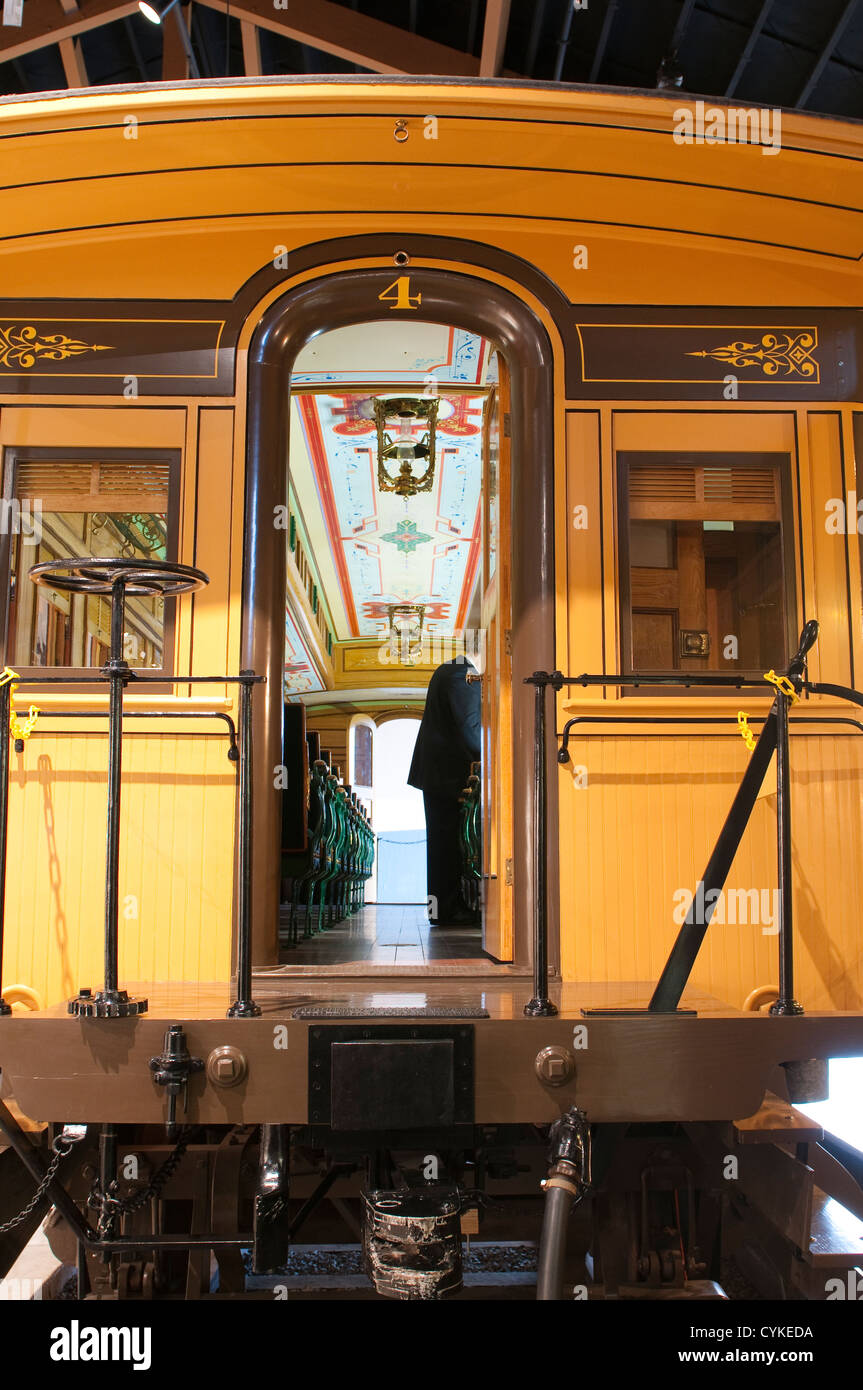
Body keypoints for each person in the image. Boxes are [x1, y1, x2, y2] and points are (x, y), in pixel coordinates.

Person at [408, 654, 482, 926]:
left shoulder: (453, 668)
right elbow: (471, 729)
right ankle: (445, 911)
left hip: (440, 771)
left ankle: (445, 908)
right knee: (446, 846)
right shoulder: (462, 674)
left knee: (444, 845)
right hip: (446, 773)